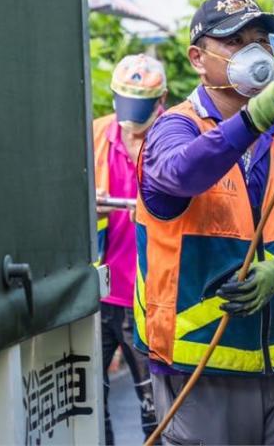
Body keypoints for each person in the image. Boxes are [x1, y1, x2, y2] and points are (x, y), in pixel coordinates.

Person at [134, 0, 274, 445]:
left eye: (260, 40)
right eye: (235, 41)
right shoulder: (174, 129)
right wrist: (254, 117)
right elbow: (180, 174)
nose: (253, 52)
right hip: (198, 369)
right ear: (198, 59)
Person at [93, 54, 167, 444]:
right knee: (90, 402)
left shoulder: (171, 141)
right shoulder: (95, 136)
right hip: (101, 294)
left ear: (161, 101)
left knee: (153, 407)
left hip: (148, 296)